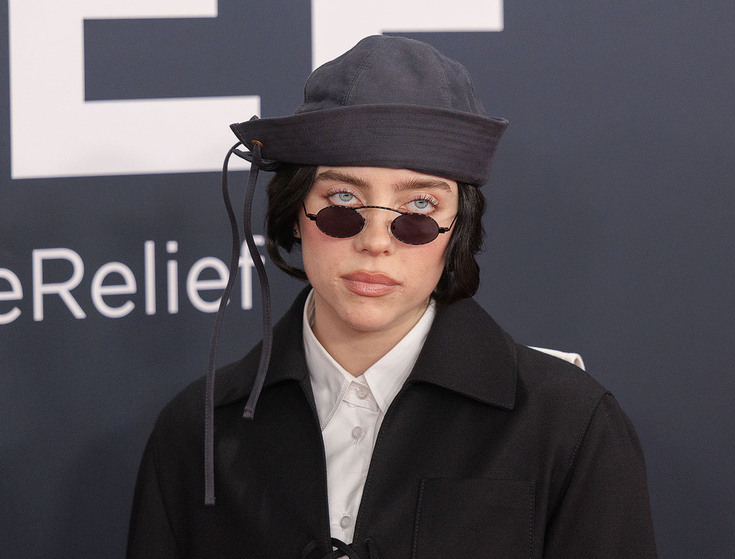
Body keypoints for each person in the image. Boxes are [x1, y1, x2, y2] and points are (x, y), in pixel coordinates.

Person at [127, 35, 657, 558]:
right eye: (342, 199)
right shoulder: (197, 430)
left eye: (419, 207)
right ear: (295, 213)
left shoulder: (569, 425)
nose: (376, 241)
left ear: (458, 228)